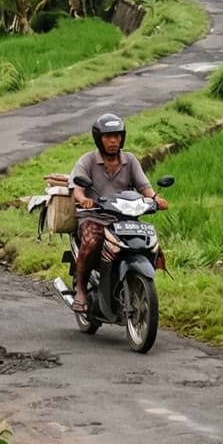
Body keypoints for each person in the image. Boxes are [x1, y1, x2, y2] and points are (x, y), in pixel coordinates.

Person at [67, 111, 165, 314]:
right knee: (91, 242)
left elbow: (144, 186)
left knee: (147, 244)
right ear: (99, 139)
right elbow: (76, 188)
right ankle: (81, 290)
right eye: (108, 137)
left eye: (117, 136)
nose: (113, 141)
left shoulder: (130, 160)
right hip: (94, 218)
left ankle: (135, 282)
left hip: (124, 220)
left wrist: (155, 199)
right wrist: (83, 199)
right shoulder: (87, 161)